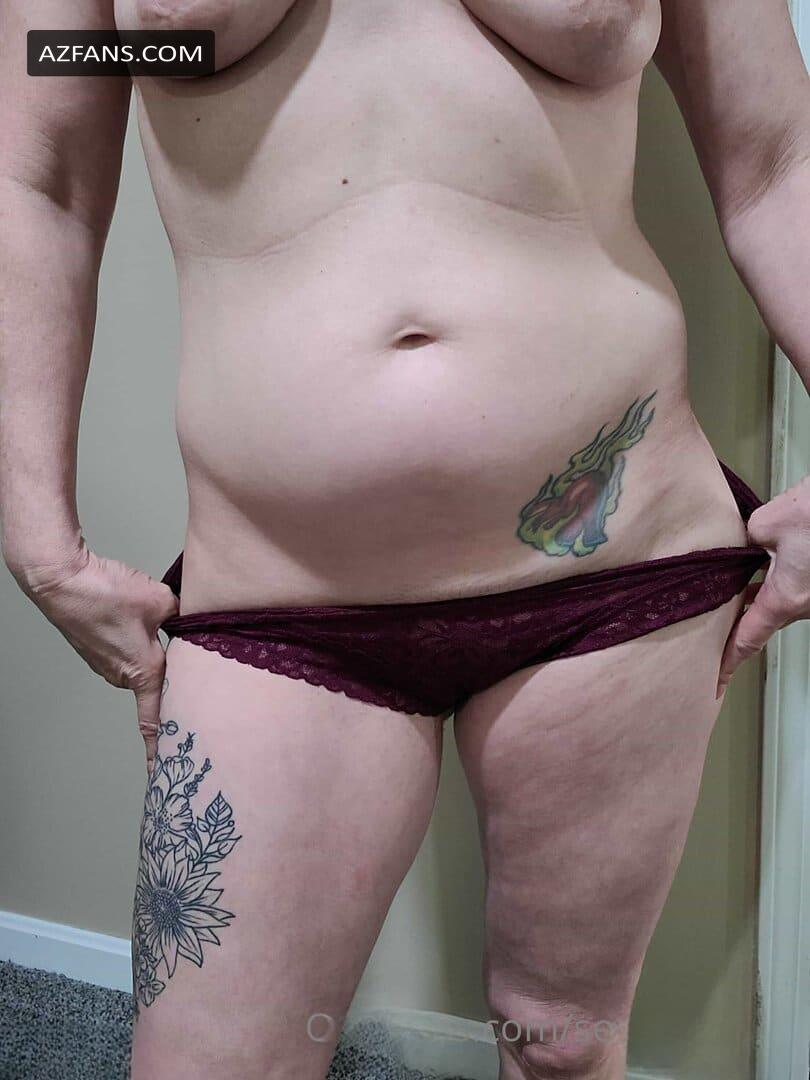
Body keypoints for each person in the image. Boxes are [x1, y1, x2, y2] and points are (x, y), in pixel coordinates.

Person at [1, 1, 808, 1077]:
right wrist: (37, 536)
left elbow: (776, 163)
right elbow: (40, 183)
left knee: (561, 1042)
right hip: (282, 603)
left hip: (618, 577)